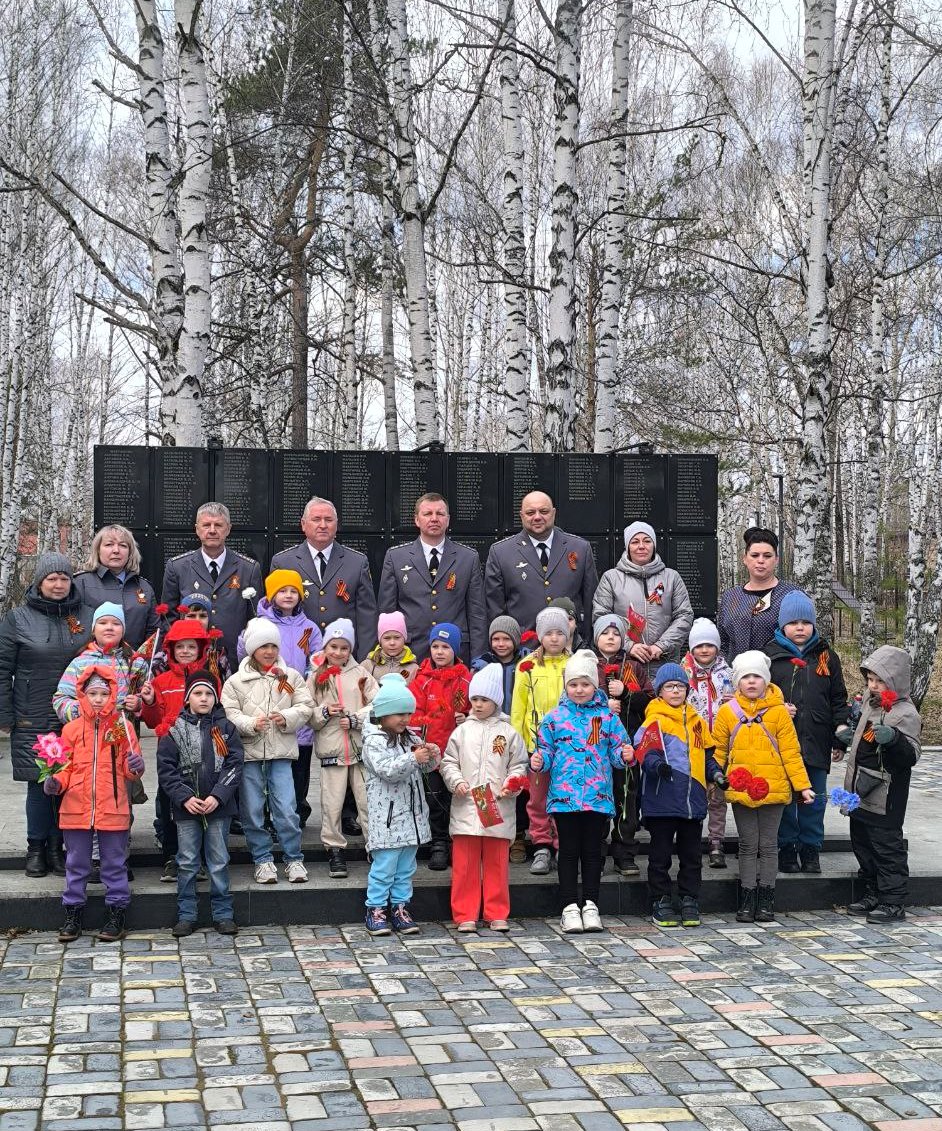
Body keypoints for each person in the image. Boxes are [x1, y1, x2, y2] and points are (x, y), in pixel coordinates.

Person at [0, 552, 94, 878]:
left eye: (64, 578)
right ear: (39, 582)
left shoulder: (86, 616)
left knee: (67, 786)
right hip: (32, 714)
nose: (58, 584)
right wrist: (5, 714)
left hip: (75, 716)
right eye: (51, 578)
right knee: (39, 785)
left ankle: (58, 848)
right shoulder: (18, 618)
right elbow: (2, 669)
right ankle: (36, 849)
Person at [531, 650, 633, 934]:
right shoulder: (553, 719)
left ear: (594, 686)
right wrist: (538, 761)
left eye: (585, 684)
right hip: (564, 798)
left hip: (597, 797)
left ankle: (591, 904)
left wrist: (625, 754)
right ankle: (568, 906)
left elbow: (616, 753)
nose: (579, 690)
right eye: (574, 684)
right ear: (566, 686)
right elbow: (546, 753)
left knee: (592, 852)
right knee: (567, 851)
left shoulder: (607, 718)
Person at [46, 667, 146, 944]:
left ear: (113, 695)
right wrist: (55, 781)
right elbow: (63, 768)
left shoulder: (122, 728)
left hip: (112, 807)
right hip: (76, 808)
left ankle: (116, 912)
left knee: (114, 863)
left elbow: (130, 770)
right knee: (76, 863)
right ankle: (73, 913)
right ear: (82, 695)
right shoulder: (71, 729)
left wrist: (135, 766)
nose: (99, 699)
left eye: (104, 693)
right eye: (93, 693)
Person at [712, 651, 812, 924]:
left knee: (768, 845)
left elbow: (791, 752)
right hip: (742, 788)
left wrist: (802, 786)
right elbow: (719, 750)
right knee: (747, 845)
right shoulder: (727, 712)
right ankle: (747, 898)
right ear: (737, 682)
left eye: (757, 676)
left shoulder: (779, 713)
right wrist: (714, 778)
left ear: (766, 681)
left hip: (773, 788)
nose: (752, 682)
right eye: (746, 677)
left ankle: (766, 899)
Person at [220, 618, 314, 886]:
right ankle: (262, 859)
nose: (270, 651)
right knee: (252, 810)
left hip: (281, 753)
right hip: (250, 755)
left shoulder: (291, 676)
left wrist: (286, 717)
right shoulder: (236, 682)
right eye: (263, 646)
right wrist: (249, 724)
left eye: (274, 645)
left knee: (286, 807)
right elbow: (229, 713)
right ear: (252, 649)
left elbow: (305, 706)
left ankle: (293, 857)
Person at [764, 592, 848, 875]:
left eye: (805, 622)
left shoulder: (826, 656)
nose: (800, 628)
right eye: (793, 622)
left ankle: (810, 848)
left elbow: (838, 698)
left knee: (814, 798)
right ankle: (787, 847)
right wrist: (775, 708)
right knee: (787, 799)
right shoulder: (770, 657)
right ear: (782, 625)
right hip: (782, 744)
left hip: (816, 740)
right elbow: (757, 698)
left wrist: (839, 737)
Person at [440, 663, 528, 932]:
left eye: (484, 700)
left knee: (496, 862)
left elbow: (518, 764)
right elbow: (449, 762)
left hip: (495, 802)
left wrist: (513, 783)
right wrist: (456, 782)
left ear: (496, 702)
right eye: (474, 699)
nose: (477, 705)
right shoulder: (462, 731)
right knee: (465, 863)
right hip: (468, 802)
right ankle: (465, 913)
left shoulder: (508, 732)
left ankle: (496, 911)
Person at [157, 669, 244, 937]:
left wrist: (218, 795)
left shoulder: (225, 729)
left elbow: (234, 763)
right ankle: (186, 913)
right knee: (187, 861)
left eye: (209, 694)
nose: (203, 698)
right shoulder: (174, 731)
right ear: (187, 699)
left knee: (218, 860)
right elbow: (166, 771)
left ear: (215, 699)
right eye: (198, 693)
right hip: (187, 809)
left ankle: (223, 913)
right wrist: (185, 798)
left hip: (218, 807)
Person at [838, 645, 921, 924]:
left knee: (887, 848)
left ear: (895, 680)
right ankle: (872, 892)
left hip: (886, 794)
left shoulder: (905, 713)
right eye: (870, 680)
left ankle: (893, 902)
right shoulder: (869, 703)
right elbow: (865, 740)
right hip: (860, 788)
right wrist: (852, 737)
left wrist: (894, 739)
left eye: (880, 680)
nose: (873, 686)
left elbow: (910, 755)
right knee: (863, 845)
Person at [636, 663, 722, 928]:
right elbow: (644, 752)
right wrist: (656, 766)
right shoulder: (655, 719)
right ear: (660, 692)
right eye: (670, 687)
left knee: (691, 854)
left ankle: (689, 898)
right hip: (663, 799)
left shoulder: (696, 721)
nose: (676, 691)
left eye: (680, 686)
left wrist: (716, 773)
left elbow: (707, 754)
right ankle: (660, 899)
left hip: (692, 800)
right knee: (660, 854)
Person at [239, 570, 322, 829]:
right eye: (282, 591)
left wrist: (309, 680)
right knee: (265, 765)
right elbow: (244, 656)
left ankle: (295, 811)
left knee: (298, 766)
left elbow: (316, 661)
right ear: (272, 594)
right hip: (264, 701)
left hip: (295, 701)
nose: (288, 595)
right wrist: (247, 637)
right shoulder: (260, 623)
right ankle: (264, 814)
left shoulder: (309, 628)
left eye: (293, 591)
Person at [361, 675, 441, 936]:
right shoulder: (374, 741)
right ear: (383, 714)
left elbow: (426, 768)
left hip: (412, 819)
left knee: (406, 868)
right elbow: (388, 770)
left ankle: (400, 907)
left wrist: (430, 754)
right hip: (388, 819)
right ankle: (376, 909)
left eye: (408, 712)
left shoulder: (410, 738)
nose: (404, 719)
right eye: (398, 713)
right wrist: (413, 758)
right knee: (384, 868)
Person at [140, 618, 211, 882]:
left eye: (191, 647)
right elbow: (153, 720)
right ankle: (172, 856)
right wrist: (149, 702)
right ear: (170, 650)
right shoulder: (161, 680)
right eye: (179, 647)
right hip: (170, 758)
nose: (185, 652)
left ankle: (199, 857)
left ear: (200, 649)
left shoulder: (208, 679)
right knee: (168, 806)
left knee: (201, 805)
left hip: (202, 757)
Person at [378, 493, 486, 663]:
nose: (434, 519)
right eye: (428, 514)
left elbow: (477, 613)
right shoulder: (396, 557)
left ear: (448, 520)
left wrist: (479, 661)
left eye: (440, 514)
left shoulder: (468, 557)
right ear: (416, 520)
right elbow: (387, 612)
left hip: (455, 653)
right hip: (410, 654)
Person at [309, 618, 379, 878]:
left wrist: (357, 719)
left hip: (359, 749)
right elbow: (308, 712)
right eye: (333, 647)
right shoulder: (316, 676)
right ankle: (334, 849)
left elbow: (377, 704)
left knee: (366, 801)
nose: (338, 653)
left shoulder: (361, 673)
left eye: (344, 648)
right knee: (332, 803)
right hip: (332, 750)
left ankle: (375, 846)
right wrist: (325, 712)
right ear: (326, 647)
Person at [270, 496, 377, 656]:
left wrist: (363, 661)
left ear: (336, 524)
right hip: (297, 656)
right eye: (316, 519)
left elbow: (367, 617)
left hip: (344, 657)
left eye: (328, 520)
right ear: (303, 524)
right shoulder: (283, 562)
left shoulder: (357, 562)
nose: (323, 525)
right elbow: (273, 614)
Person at [484, 491, 599, 636]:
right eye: (530, 512)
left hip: (570, 648)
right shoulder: (501, 552)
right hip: (522, 649)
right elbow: (494, 608)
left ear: (553, 513)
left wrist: (586, 643)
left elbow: (590, 602)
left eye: (543, 511)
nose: (537, 517)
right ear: (521, 516)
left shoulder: (580, 548)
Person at [510, 607, 572, 875]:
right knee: (537, 799)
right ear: (540, 636)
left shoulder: (574, 665)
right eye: (549, 633)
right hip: (537, 747)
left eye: (560, 633)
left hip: (569, 746)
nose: (555, 638)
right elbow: (518, 709)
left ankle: (561, 844)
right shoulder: (527, 668)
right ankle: (541, 845)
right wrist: (519, 745)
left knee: (563, 797)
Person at [161, 502, 263, 662]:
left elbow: (255, 619)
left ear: (228, 529)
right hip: (191, 660)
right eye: (206, 525)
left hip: (236, 659)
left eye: (218, 525)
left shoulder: (249, 568)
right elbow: (169, 618)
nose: (212, 530)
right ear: (197, 529)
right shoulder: (177, 567)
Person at [593, 613, 654, 877]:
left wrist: (627, 693)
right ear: (596, 638)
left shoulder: (635, 667)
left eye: (616, 633)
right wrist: (601, 703)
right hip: (594, 747)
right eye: (605, 633)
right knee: (596, 798)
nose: (610, 637)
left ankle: (624, 852)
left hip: (626, 743)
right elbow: (573, 697)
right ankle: (594, 851)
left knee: (626, 797)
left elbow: (651, 702)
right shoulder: (587, 664)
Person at [592, 523, 693, 673]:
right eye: (635, 542)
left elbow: (684, 615)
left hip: (664, 665)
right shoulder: (611, 578)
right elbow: (601, 617)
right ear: (627, 547)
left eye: (647, 541)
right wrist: (629, 645)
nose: (641, 546)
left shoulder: (672, 577)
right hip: (625, 665)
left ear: (654, 545)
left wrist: (662, 645)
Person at [409, 623, 471, 870]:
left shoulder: (465, 679)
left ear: (455, 650)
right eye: (435, 646)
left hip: (458, 755)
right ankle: (438, 843)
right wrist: (419, 746)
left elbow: (474, 708)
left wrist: (466, 718)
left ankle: (459, 843)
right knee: (434, 801)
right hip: (431, 754)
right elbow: (414, 715)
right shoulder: (421, 680)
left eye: (446, 647)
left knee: (457, 799)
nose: (439, 652)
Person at [472, 614, 531, 863]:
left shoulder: (528, 663)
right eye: (496, 638)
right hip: (489, 728)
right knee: (489, 780)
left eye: (506, 638)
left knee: (515, 783)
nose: (500, 643)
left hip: (517, 729)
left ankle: (517, 835)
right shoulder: (481, 665)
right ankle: (490, 834)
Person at [681, 618, 735, 869]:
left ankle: (716, 842)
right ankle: (690, 840)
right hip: (694, 743)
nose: (704, 650)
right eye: (699, 646)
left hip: (721, 744)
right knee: (695, 793)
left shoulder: (728, 673)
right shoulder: (684, 673)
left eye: (709, 645)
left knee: (718, 796)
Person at [53, 603, 148, 723]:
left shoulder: (136, 663)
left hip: (124, 737)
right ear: (93, 630)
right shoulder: (80, 663)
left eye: (116, 623)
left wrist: (139, 704)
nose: (109, 627)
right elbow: (60, 698)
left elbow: (150, 698)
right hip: (87, 735)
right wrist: (78, 710)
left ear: (123, 630)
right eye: (103, 623)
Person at [718, 528, 800, 661]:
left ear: (776, 559)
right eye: (755, 555)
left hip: (778, 675)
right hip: (737, 675)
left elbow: (803, 638)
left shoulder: (790, 595)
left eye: (767, 556)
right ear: (745, 558)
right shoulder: (730, 596)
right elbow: (723, 642)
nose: (761, 561)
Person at [74, 526, 158, 649]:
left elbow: (154, 631)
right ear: (98, 550)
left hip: (135, 664)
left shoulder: (144, 587)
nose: (116, 550)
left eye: (123, 545)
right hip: (92, 662)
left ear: (130, 552)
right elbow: (71, 625)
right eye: (109, 545)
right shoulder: (81, 583)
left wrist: (142, 660)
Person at [362, 611, 419, 684]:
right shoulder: (367, 666)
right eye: (387, 638)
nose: (392, 643)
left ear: (404, 639)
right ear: (380, 640)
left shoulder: (414, 669)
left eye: (397, 637)